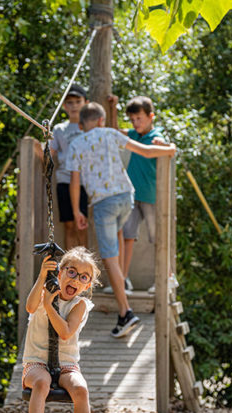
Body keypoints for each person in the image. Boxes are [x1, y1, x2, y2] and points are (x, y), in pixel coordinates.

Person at [68, 102, 176, 337]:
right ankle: (122, 284)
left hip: (103, 203)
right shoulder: (109, 133)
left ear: (81, 123)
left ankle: (125, 312)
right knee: (116, 242)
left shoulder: (76, 144)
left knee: (109, 258)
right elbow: (146, 151)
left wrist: (77, 211)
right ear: (100, 120)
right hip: (126, 197)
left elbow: (75, 182)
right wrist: (170, 150)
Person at [22, 246, 101, 413]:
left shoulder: (80, 305)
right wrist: (42, 278)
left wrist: (49, 306)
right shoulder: (44, 292)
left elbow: (65, 332)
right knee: (42, 381)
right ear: (60, 272)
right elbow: (30, 307)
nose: (75, 279)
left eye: (83, 277)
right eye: (72, 272)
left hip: (67, 365)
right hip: (36, 362)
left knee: (81, 389)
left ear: (86, 286)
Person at [108, 95, 174, 294]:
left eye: (140, 119)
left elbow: (162, 143)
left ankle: (167, 277)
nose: (136, 123)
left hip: (152, 198)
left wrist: (163, 145)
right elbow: (113, 131)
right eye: (133, 119)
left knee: (159, 239)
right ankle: (123, 280)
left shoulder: (156, 135)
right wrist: (113, 109)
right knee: (126, 236)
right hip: (132, 196)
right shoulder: (134, 135)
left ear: (151, 116)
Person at [49, 83, 89, 249]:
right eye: (70, 102)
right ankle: (70, 270)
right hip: (65, 180)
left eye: (77, 101)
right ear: (64, 106)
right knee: (69, 226)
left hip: (86, 182)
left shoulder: (89, 126)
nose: (74, 106)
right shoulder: (59, 129)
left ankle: (86, 270)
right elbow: (48, 154)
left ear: (85, 103)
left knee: (82, 225)